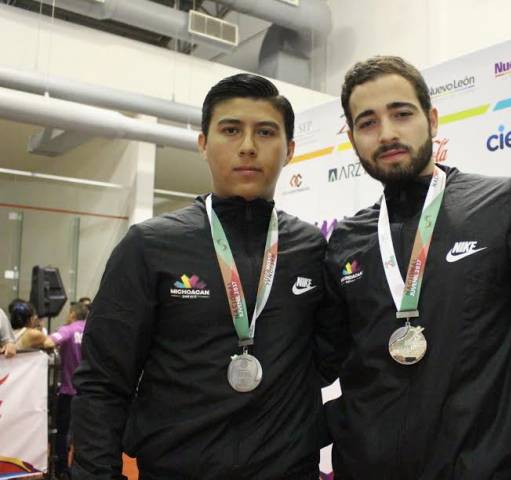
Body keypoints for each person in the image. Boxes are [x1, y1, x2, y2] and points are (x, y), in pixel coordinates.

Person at [323, 56, 511, 479]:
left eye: (402, 114)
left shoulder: (505, 206)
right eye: (368, 122)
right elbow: (324, 364)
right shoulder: (347, 239)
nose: (387, 133)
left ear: (432, 119)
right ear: (352, 138)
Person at [72, 73, 343, 480]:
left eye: (265, 132)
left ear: (289, 150)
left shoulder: (311, 248)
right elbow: (102, 381)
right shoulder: (150, 246)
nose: (248, 146)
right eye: (231, 130)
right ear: (203, 143)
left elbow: (326, 360)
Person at [45, 301, 89, 479]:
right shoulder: (92, 329)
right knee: (84, 434)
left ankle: (62, 470)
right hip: (88, 393)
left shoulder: (69, 330)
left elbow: (49, 341)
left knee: (62, 433)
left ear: (72, 314)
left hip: (68, 391)